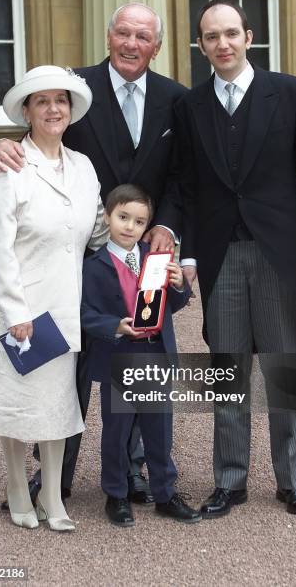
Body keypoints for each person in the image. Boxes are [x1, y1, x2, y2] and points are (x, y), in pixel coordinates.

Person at [0, 2, 187, 506]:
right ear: (109, 35)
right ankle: (56, 476)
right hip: (78, 264)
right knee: (66, 374)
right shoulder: (74, 90)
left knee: (140, 365)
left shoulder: (177, 100)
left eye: (143, 36)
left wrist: (165, 228)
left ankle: (134, 471)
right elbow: (42, 134)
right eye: (123, 32)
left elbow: (187, 178)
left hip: (147, 257)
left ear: (156, 47)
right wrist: (0, 146)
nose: (131, 43)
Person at [176, 1, 296, 518]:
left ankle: (291, 481)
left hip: (278, 252)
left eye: (231, 34)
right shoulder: (190, 105)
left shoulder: (292, 93)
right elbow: (184, 187)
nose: (222, 44)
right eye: (211, 37)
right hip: (218, 254)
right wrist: (185, 251)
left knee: (283, 367)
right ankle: (230, 482)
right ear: (201, 46)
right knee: (227, 368)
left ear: (248, 37)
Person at [0, 65, 105, 531]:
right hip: (23, 316)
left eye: (61, 100)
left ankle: (52, 496)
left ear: (71, 110)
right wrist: (16, 314)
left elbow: (101, 234)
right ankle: (15, 488)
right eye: (42, 101)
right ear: (27, 111)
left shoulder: (84, 168)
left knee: (56, 409)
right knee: (16, 407)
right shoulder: (10, 169)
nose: (53, 108)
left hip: (63, 313)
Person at [80, 183, 200, 526]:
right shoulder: (94, 266)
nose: (129, 226)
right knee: (116, 431)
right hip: (118, 355)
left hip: (155, 355)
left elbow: (170, 307)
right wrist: (115, 325)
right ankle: (116, 494)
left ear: (146, 226)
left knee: (159, 429)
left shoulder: (155, 261)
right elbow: (85, 313)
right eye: (122, 217)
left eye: (138, 221)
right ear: (107, 217)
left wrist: (179, 284)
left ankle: (165, 492)